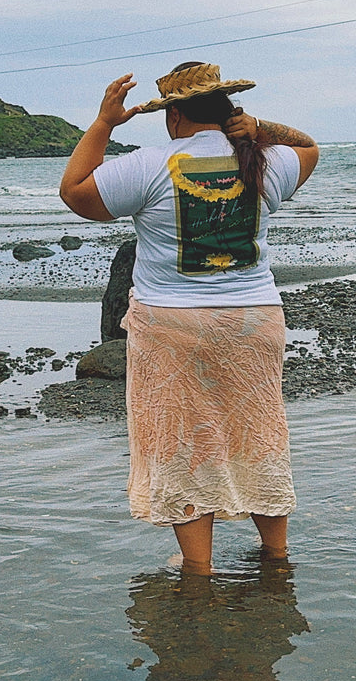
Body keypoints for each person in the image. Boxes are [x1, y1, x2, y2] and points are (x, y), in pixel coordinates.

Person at [59, 63, 320, 575]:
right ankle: (276, 556)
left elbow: (75, 192)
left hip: (172, 325)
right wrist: (261, 129)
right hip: (253, 318)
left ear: (173, 114)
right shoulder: (266, 160)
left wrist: (103, 125)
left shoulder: (150, 164)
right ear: (228, 110)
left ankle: (198, 569)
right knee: (257, 431)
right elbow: (309, 148)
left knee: (181, 438)